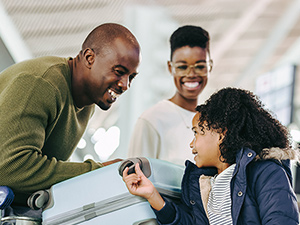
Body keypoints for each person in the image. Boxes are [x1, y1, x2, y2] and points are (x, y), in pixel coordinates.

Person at [0, 23, 141, 210]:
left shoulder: (87, 101)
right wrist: (99, 172)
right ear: (90, 58)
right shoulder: (41, 83)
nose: (125, 85)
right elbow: (11, 168)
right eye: (119, 72)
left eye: (131, 77)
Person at [123, 87, 299, 225]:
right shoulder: (204, 184)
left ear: (221, 134)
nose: (192, 144)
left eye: (197, 133)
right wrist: (153, 195)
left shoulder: (266, 173)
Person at [128, 25, 213, 165]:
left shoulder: (213, 121)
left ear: (210, 66)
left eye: (200, 66)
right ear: (170, 67)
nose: (191, 74)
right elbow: (135, 179)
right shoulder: (152, 120)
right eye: (182, 67)